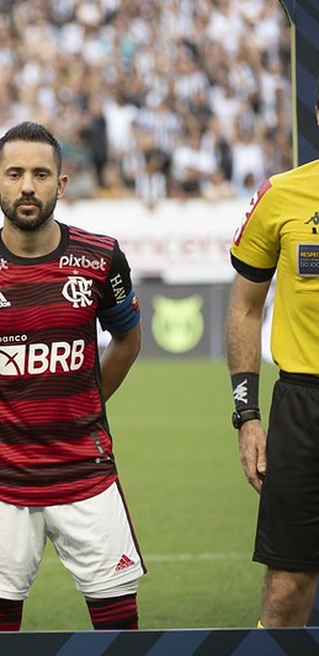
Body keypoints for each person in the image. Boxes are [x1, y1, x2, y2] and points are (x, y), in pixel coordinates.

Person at [0, 121, 145, 631]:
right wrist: (5, 396)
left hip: (87, 472)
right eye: (15, 174)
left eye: (40, 174)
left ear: (61, 184)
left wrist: (86, 398)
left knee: (119, 626)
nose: (27, 186)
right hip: (0, 476)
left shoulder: (101, 257)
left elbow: (127, 340)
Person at [225, 86, 319, 628]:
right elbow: (243, 307)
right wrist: (248, 414)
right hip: (303, 407)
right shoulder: (282, 194)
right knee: (287, 589)